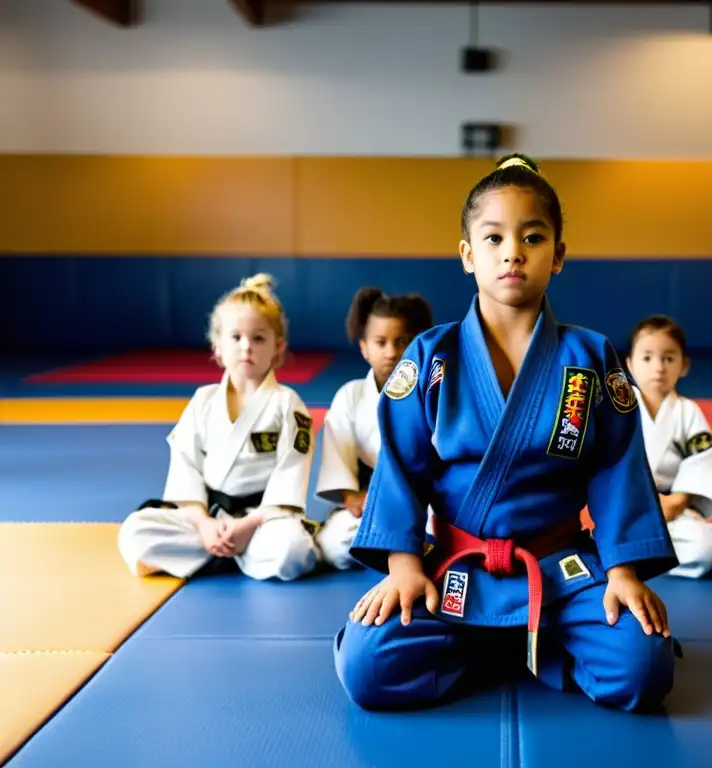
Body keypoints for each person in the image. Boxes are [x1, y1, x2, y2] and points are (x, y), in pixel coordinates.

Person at [335, 154, 680, 713]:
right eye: (493, 238)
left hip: (559, 570)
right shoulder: (431, 356)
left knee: (643, 666)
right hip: (456, 568)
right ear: (469, 255)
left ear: (558, 255)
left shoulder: (590, 357)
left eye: (533, 236)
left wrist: (622, 572)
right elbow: (399, 467)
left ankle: (509, 640)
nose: (512, 251)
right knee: (368, 667)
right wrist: (402, 567)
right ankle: (507, 642)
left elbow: (619, 467)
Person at [117, 274, 320, 582]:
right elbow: (186, 464)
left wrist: (249, 525)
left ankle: (214, 553)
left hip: (262, 521)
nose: (246, 347)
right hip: (208, 518)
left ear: (278, 347)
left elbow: (291, 472)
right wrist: (203, 523)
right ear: (218, 346)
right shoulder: (204, 400)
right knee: (135, 532)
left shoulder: (287, 404)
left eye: (258, 338)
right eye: (236, 337)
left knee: (292, 550)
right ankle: (226, 548)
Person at [315, 287, 435, 570]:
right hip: (368, 503)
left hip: (422, 502)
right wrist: (352, 497)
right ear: (364, 348)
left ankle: (394, 548)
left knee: (440, 529)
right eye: (380, 342)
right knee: (333, 543)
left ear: (418, 345)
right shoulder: (350, 395)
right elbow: (337, 459)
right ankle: (402, 550)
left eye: (402, 341)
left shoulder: (433, 392)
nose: (391, 352)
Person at [626, 315, 712, 578]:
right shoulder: (618, 408)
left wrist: (676, 502)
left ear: (684, 365)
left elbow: (702, 460)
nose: (658, 367)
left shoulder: (688, 412)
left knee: (708, 550)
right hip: (629, 508)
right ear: (629, 365)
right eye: (647, 358)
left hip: (675, 508)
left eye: (668, 358)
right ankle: (645, 555)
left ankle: (640, 559)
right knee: (600, 544)